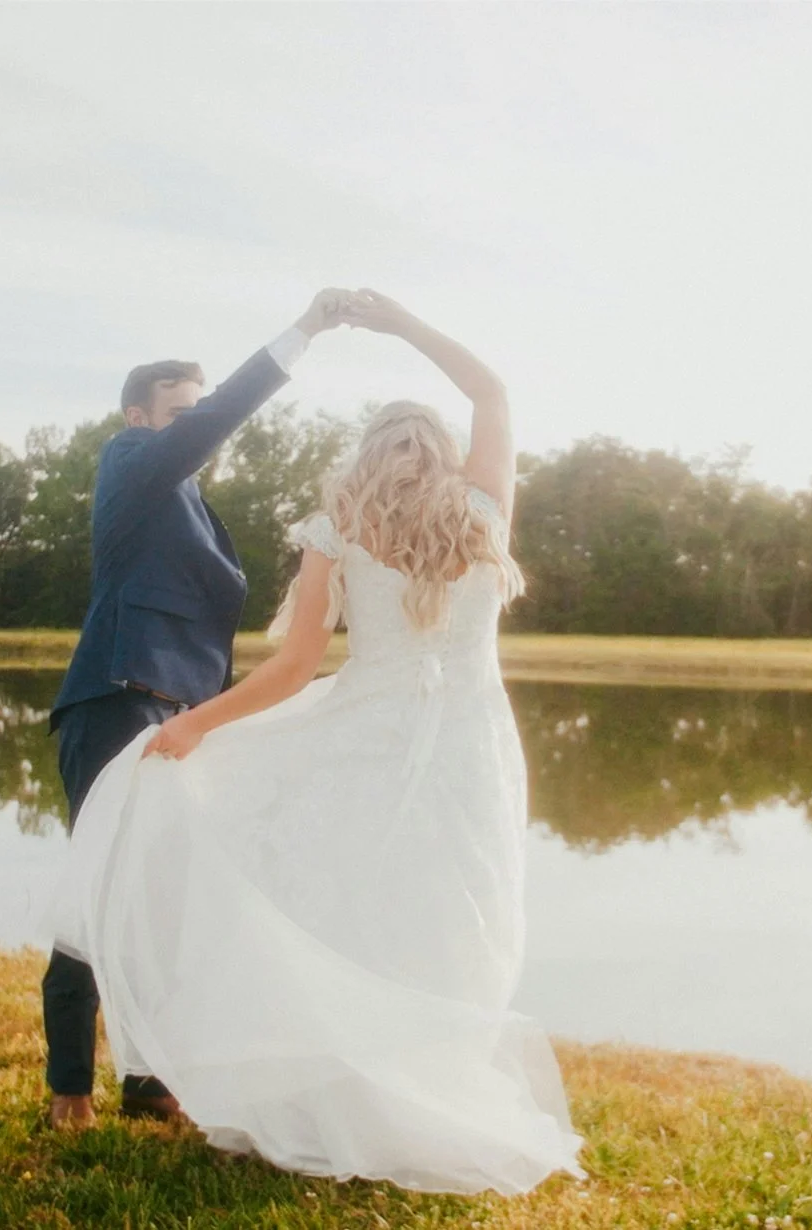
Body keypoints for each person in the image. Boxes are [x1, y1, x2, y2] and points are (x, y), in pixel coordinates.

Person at [48, 290, 586, 1194]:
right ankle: (421, 1088)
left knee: (341, 904)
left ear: (368, 459)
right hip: (473, 746)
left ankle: (317, 1092)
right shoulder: (487, 513)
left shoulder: (342, 526)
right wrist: (405, 325)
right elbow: (492, 391)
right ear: (447, 455)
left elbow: (294, 669)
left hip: (369, 733)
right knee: (455, 914)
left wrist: (194, 725)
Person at [41, 289, 354, 1131]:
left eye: (197, 409)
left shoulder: (190, 502)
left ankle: (150, 1082)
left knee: (169, 901)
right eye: (181, 409)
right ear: (140, 417)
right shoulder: (130, 464)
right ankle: (69, 1086)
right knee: (98, 891)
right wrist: (303, 334)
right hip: (118, 702)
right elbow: (215, 420)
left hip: (187, 719)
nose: (197, 422)